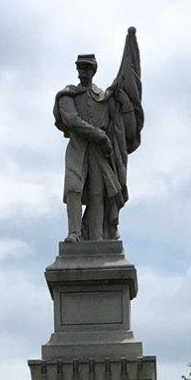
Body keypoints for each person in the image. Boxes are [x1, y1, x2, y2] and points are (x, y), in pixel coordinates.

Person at [53, 30, 142, 243]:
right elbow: (72, 121)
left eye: (87, 68)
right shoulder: (67, 95)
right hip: (78, 148)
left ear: (94, 70)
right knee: (73, 189)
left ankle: (98, 237)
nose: (83, 71)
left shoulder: (103, 98)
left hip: (99, 153)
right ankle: (74, 233)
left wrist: (126, 102)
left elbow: (124, 126)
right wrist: (100, 136)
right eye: (80, 67)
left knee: (97, 194)